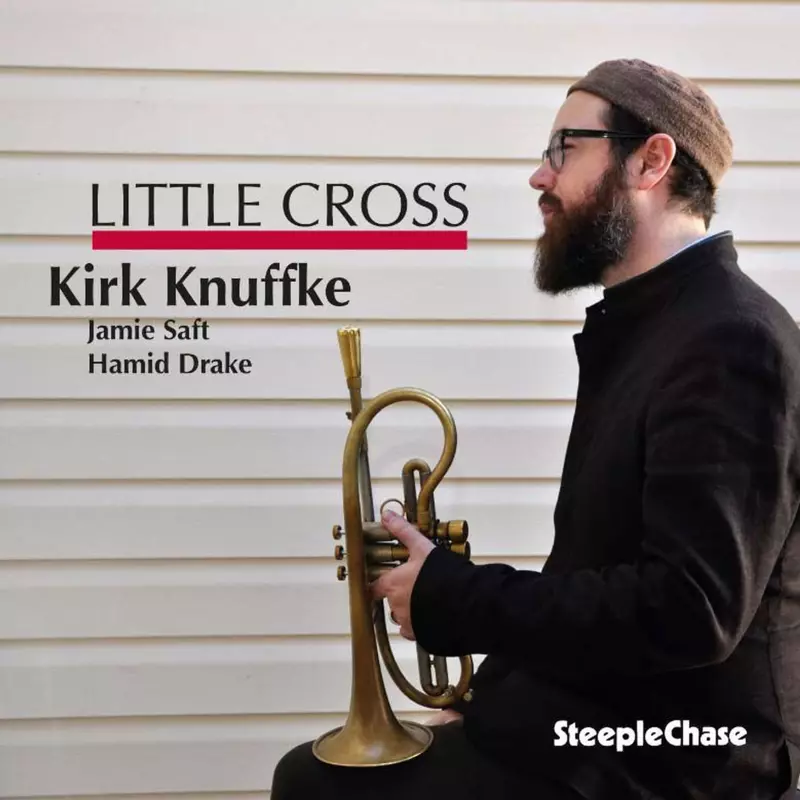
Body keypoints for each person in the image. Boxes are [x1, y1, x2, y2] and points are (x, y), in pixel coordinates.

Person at [271, 58, 800, 799]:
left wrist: (456, 598)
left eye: (565, 148)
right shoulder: (653, 328)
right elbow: (593, 568)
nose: (539, 177)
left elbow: (690, 611)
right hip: (604, 723)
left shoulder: (730, 341)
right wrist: (488, 696)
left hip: (677, 759)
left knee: (314, 785)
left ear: (651, 161)